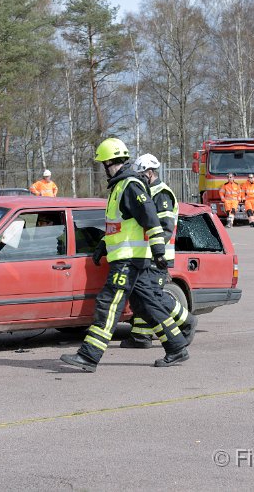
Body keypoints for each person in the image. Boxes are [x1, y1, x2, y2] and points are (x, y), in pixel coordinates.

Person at [60, 138, 189, 372]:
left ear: (110, 162)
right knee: (146, 304)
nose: (102, 169)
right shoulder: (121, 186)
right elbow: (118, 227)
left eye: (103, 164)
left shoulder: (130, 186)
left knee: (108, 304)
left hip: (129, 259)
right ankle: (177, 347)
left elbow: (151, 218)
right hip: (129, 257)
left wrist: (159, 250)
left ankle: (89, 356)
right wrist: (102, 244)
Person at [118, 153, 198, 349]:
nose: (138, 178)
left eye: (141, 174)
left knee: (153, 295)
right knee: (143, 295)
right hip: (146, 253)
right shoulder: (147, 191)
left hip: (159, 255)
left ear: (151, 172)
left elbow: (164, 227)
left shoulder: (161, 193)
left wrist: (157, 251)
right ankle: (140, 336)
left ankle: (186, 321)